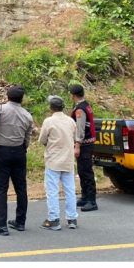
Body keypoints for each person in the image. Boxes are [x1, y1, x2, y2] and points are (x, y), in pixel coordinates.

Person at [0, 85, 35, 236]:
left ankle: (1, 225)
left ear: (7, 96)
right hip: (19, 152)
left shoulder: (0, 110)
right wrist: (23, 148)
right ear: (22, 99)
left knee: (1, 188)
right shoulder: (27, 115)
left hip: (1, 152)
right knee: (21, 188)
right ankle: (20, 222)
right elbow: (28, 136)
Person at [38, 95, 79, 230]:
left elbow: (42, 140)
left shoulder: (48, 121)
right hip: (68, 160)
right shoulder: (70, 121)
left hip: (53, 160)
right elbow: (75, 137)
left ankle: (54, 219)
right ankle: (72, 219)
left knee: (52, 191)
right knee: (70, 190)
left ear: (51, 108)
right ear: (63, 107)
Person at [69, 83, 98, 211]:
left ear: (73, 95)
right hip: (88, 142)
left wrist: (77, 145)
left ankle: (91, 201)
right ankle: (85, 197)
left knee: (86, 172)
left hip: (85, 143)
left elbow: (80, 129)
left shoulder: (80, 109)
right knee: (82, 170)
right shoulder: (86, 105)